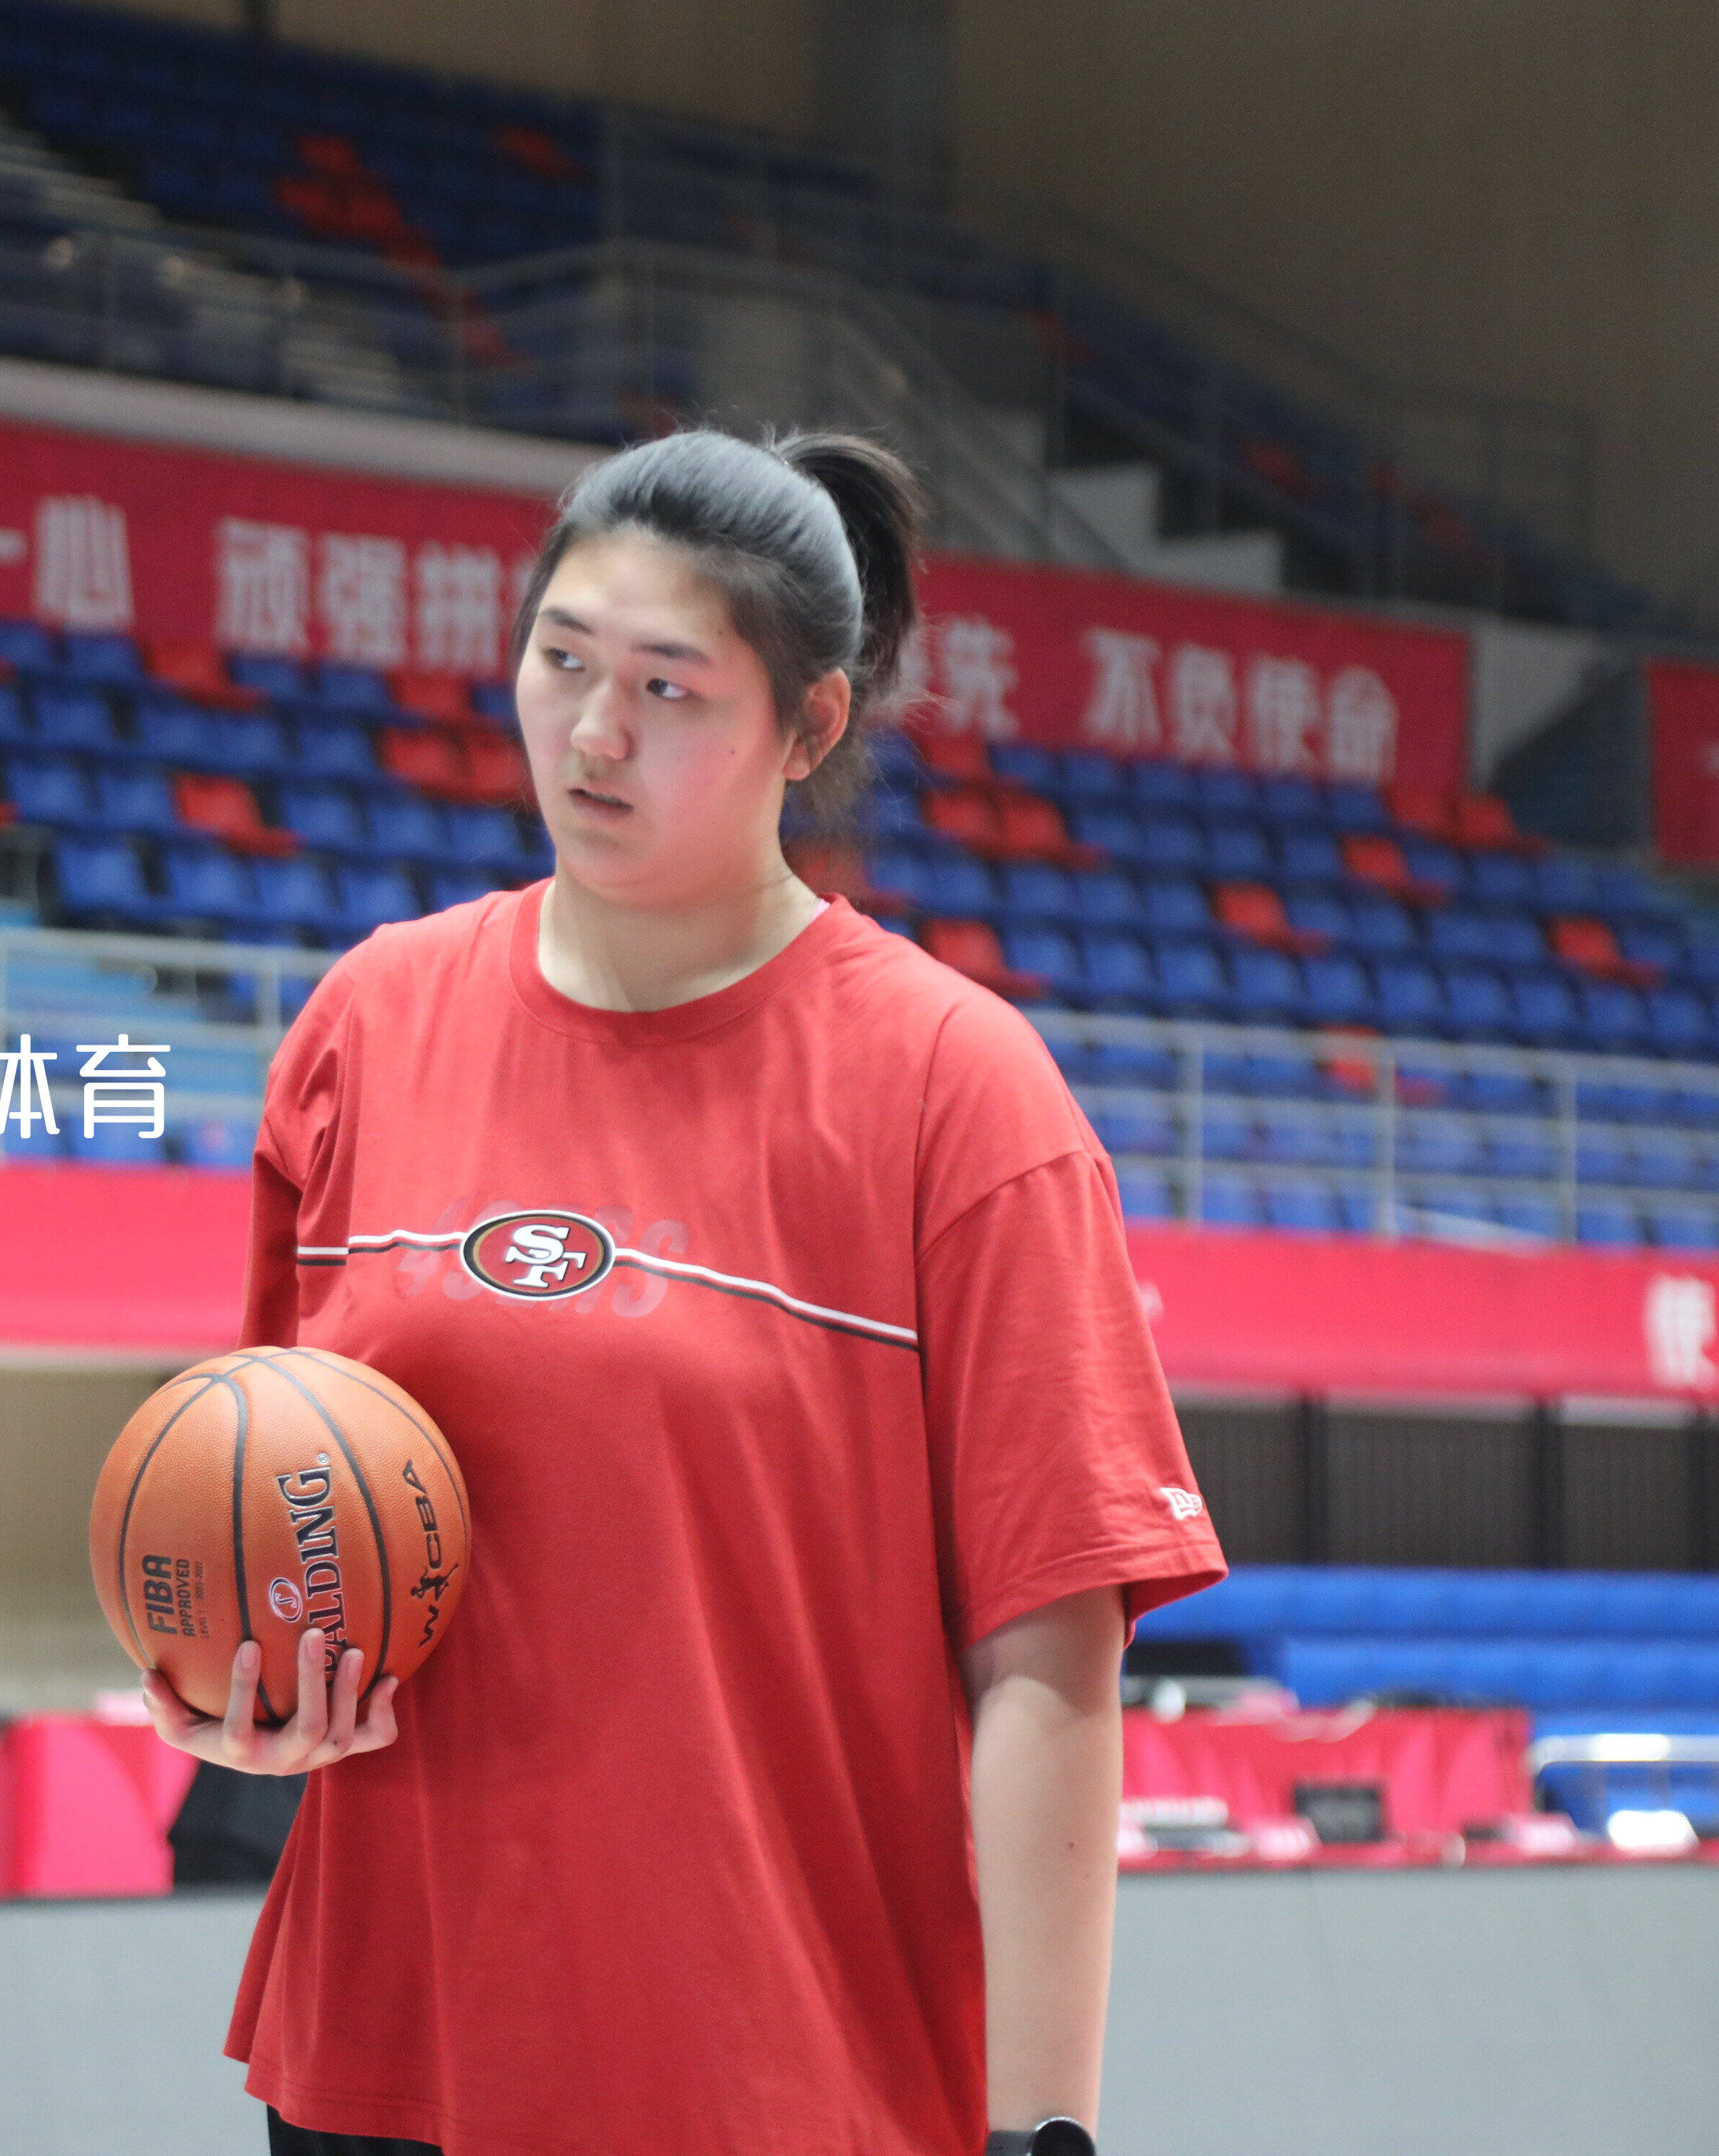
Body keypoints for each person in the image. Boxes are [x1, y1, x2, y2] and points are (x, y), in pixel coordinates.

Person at [140, 427, 1226, 2156]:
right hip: (387, 2054)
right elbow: (274, 1485)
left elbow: (1051, 1656)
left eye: (669, 689)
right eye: (562, 659)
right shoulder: (370, 1024)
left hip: (767, 2077)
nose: (593, 732)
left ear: (810, 726)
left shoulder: (958, 1093)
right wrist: (251, 1692)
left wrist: (1043, 2128)